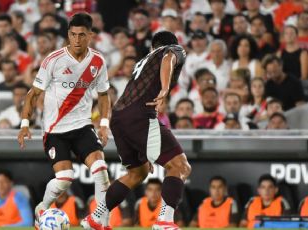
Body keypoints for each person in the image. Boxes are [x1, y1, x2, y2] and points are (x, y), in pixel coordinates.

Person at [83, 31, 191, 230]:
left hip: (120, 118)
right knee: (180, 166)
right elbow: (168, 57)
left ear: (151, 47)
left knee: (137, 172)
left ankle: (96, 218)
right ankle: (164, 221)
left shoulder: (143, 62)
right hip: (139, 116)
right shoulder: (171, 50)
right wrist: (165, 90)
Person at [17, 13, 112, 228]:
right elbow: (33, 94)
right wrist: (24, 124)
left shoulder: (98, 61)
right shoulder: (53, 60)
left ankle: (101, 220)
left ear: (91, 35)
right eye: (73, 34)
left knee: (101, 169)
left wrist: (104, 126)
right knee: (65, 178)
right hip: (55, 130)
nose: (76, 39)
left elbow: (104, 95)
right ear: (68, 34)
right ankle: (42, 208)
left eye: (81, 35)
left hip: (82, 126)